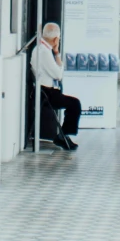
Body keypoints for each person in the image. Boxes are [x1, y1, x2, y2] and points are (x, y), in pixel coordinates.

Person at [30, 21, 81, 151]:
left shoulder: (42, 49)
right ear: (56, 39)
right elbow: (58, 74)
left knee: (72, 103)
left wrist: (56, 52)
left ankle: (64, 135)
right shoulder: (44, 53)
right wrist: (57, 55)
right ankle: (63, 136)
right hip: (46, 93)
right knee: (75, 104)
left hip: (46, 90)